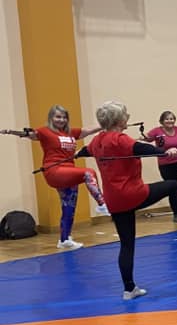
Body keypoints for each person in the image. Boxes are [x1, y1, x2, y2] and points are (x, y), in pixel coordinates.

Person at [77, 101, 177, 300]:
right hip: (132, 194)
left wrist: (73, 155)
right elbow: (141, 148)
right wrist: (166, 152)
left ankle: (129, 289)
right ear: (119, 120)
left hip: (114, 200)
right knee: (172, 186)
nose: (128, 117)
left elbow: (86, 151)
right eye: (125, 115)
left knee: (127, 245)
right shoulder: (120, 138)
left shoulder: (97, 140)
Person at [2, 105, 107, 251]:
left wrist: (108, 124)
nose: (61, 120)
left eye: (64, 117)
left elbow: (87, 130)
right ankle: (102, 204)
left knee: (69, 207)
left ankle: (64, 239)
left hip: (69, 172)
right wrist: (11, 131)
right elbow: (30, 134)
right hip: (54, 170)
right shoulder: (45, 131)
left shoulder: (70, 133)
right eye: (58, 117)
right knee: (88, 173)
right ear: (51, 118)